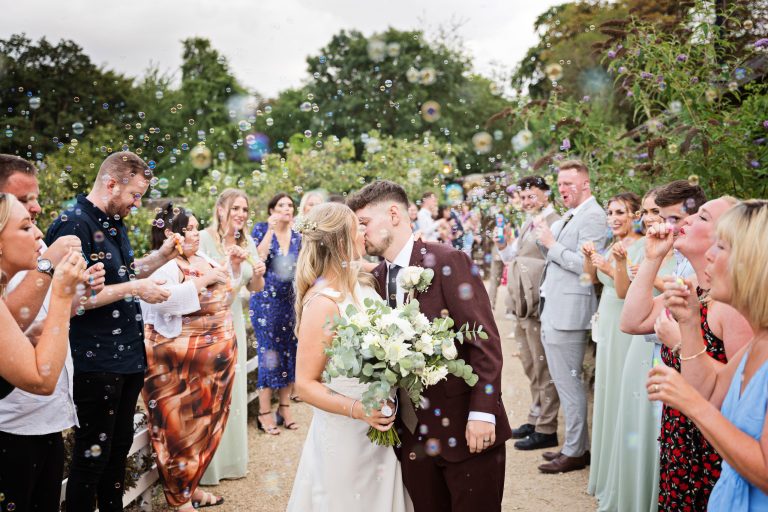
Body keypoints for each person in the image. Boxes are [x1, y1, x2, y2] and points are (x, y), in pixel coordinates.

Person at [349, 180, 511, 512]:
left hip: (466, 430)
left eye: (364, 222)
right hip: (411, 438)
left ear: (393, 214)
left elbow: (484, 342)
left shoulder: (448, 260)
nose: (360, 232)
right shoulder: (376, 279)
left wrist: (482, 413)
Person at [47, 151, 179, 510]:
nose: (137, 203)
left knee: (118, 452)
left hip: (127, 357)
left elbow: (126, 275)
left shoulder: (112, 220)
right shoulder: (74, 225)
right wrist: (135, 289)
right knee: (92, 459)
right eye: (134, 195)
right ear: (110, 184)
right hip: (95, 360)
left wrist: (162, 256)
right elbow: (72, 302)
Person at [622, 195, 753, 510]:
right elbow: (633, 320)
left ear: (727, 238)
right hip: (681, 431)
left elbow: (741, 391)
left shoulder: (732, 303)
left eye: (701, 217)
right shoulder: (693, 284)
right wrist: (653, 257)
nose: (685, 220)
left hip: (710, 442)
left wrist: (680, 342)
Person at [288, 202, 411, 511]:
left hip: (381, 428)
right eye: (359, 226)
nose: (365, 232)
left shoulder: (365, 285)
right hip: (345, 435)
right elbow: (304, 384)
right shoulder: (323, 303)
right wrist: (359, 409)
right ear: (341, 240)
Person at [0, 156, 105, 512]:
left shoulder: (32, 251)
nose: (37, 213)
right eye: (24, 205)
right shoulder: (38, 256)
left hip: (49, 412)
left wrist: (77, 296)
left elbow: (23, 328)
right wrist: (54, 280)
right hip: (13, 421)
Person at [141, 206, 238, 509]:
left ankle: (191, 487)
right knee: (179, 432)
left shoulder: (205, 260)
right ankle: (179, 498)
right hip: (178, 373)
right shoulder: (163, 267)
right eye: (190, 229)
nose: (196, 234)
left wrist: (230, 267)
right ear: (171, 234)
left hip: (214, 371)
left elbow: (227, 298)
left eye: (197, 228)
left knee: (205, 430)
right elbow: (165, 304)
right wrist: (206, 279)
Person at [599, 188, 676, 512]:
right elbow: (625, 292)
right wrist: (613, 263)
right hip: (641, 335)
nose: (649, 219)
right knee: (634, 418)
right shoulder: (647, 246)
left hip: (668, 341)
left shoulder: (673, 248)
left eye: (654, 211)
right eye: (645, 212)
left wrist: (649, 273)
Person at [535, 159, 608, 474]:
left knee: (571, 384)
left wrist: (551, 245)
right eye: (560, 183)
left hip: (570, 313)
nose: (562, 189)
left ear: (586, 184)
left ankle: (576, 450)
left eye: (568, 183)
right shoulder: (571, 214)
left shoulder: (594, 216)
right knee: (564, 383)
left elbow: (587, 267)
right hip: (555, 308)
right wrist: (543, 240)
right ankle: (574, 445)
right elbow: (555, 257)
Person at [199, 190, 266, 484]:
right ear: (220, 209)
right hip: (207, 323)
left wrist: (260, 271)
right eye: (235, 207)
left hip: (235, 320)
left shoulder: (246, 241)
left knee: (233, 390)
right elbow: (202, 287)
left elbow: (257, 289)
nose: (240, 213)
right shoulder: (203, 240)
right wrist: (233, 268)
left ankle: (232, 461)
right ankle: (208, 467)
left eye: (245, 208)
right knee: (210, 392)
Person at [582, 192, 643, 497]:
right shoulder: (611, 245)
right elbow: (590, 279)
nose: (614, 217)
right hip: (606, 320)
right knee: (605, 390)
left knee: (621, 391)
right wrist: (589, 257)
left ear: (636, 215)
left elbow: (626, 291)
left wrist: (608, 266)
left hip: (625, 323)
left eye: (621, 212)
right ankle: (605, 470)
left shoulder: (642, 246)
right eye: (610, 212)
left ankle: (621, 473)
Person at [497, 175, 561, 451]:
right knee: (529, 364)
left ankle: (547, 428)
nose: (526, 202)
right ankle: (535, 419)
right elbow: (509, 256)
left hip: (537, 303)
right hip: (522, 302)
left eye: (531, 196)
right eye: (522, 197)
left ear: (546, 194)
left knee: (543, 365)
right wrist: (501, 244)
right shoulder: (528, 221)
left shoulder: (555, 222)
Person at [250, 192, 302, 434]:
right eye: (281, 205)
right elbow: (257, 260)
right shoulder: (261, 230)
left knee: (289, 353)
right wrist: (270, 230)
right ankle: (263, 412)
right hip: (265, 302)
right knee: (268, 354)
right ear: (271, 210)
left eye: (290, 205)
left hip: (289, 303)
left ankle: (284, 407)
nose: (286, 209)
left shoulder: (298, 237)